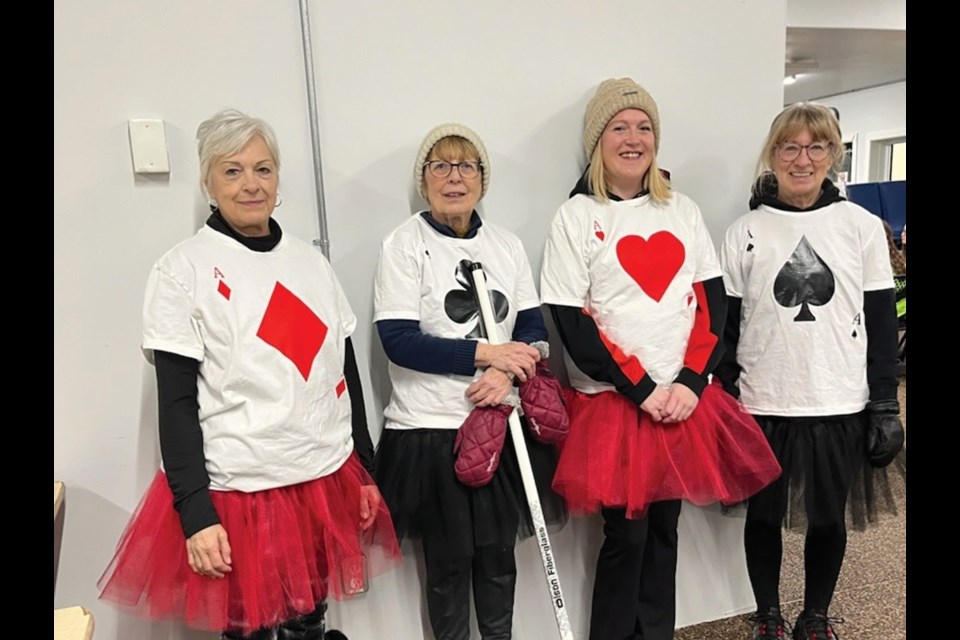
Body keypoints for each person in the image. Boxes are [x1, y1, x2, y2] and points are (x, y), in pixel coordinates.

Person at [98, 109, 401, 640]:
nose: (250, 184)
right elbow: (176, 402)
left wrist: (365, 469)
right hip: (240, 490)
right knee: (250, 632)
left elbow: (343, 373)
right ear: (208, 183)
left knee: (311, 621)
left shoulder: (310, 263)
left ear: (278, 178)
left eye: (263, 169)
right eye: (232, 171)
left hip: (321, 477)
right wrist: (195, 512)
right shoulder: (183, 269)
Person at [540, 78, 781, 640]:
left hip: (681, 400)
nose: (633, 138)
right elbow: (573, 322)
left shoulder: (682, 210)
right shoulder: (575, 217)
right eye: (619, 127)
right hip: (618, 405)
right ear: (598, 141)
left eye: (644, 127)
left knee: (665, 529)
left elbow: (710, 303)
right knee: (627, 535)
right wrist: (643, 389)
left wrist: (691, 384)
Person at [717, 102, 904, 640]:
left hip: (837, 399)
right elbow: (726, 326)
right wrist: (726, 394)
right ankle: (769, 615)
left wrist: (885, 402)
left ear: (834, 154)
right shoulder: (744, 232)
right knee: (763, 517)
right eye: (790, 147)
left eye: (816, 146)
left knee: (827, 518)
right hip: (762, 399)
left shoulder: (861, 228)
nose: (803, 159)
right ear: (773, 156)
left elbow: (879, 320)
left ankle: (815, 616)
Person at [373, 123, 565, 640]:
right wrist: (487, 354)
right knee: (449, 565)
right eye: (440, 166)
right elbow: (399, 340)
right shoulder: (403, 246)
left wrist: (506, 370)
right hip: (430, 432)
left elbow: (531, 329)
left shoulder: (506, 245)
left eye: (466, 166)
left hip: (500, 424)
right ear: (424, 179)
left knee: (498, 559)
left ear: (482, 178)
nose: (454, 177)